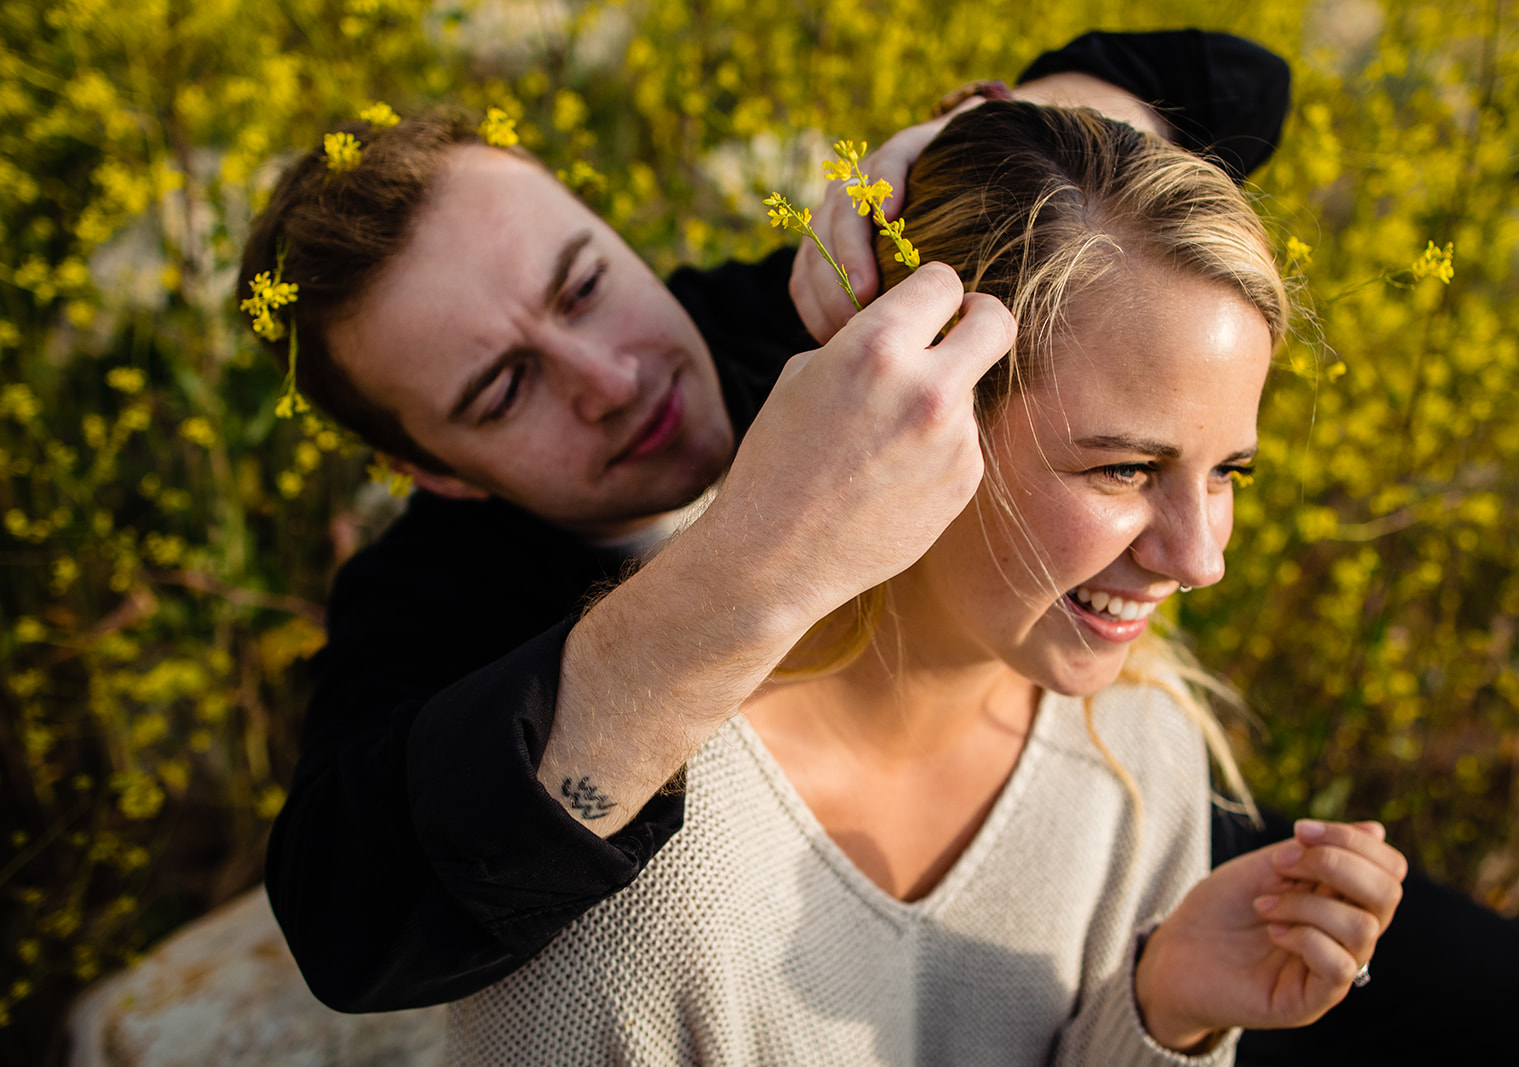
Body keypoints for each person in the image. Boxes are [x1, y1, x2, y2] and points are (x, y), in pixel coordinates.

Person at [243, 30, 1296, 1016]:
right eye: (504, 390)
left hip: (1100, 802)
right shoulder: (432, 592)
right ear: (430, 470)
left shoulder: (792, 316)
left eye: (585, 286)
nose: (610, 377)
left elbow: (1240, 88)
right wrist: (756, 559)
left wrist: (995, 132)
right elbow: (349, 922)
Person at [445, 101, 1407, 1065]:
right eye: (1123, 469)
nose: (1203, 560)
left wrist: (1159, 1014)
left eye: (1228, 472)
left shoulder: (1139, 747)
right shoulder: (630, 867)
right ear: (912, 413)